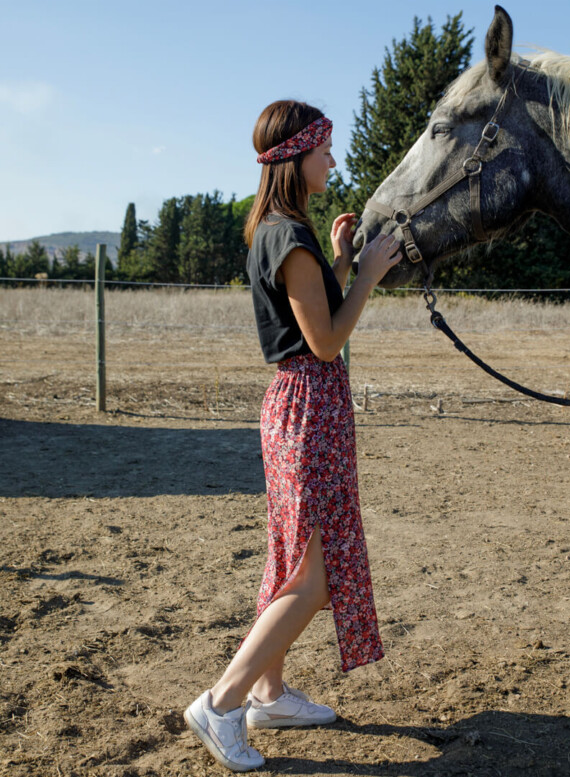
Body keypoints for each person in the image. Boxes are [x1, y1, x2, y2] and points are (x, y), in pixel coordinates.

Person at [184, 99, 402, 772]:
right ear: (297, 155)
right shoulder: (289, 235)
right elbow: (327, 341)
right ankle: (222, 701)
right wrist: (368, 273)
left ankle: (270, 694)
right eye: (325, 149)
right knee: (313, 577)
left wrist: (338, 262)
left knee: (290, 559)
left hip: (293, 404)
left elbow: (306, 313)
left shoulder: (275, 230)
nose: (332, 161)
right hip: (310, 407)